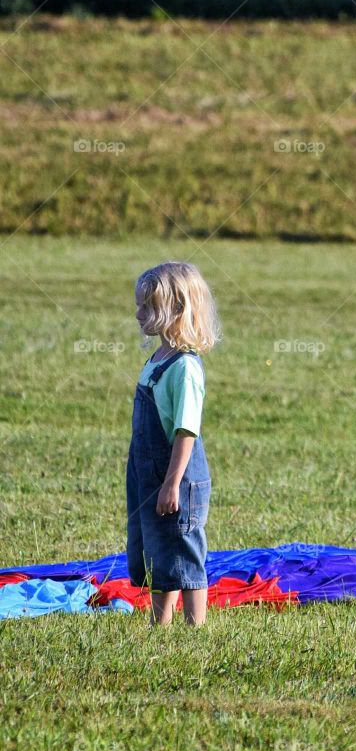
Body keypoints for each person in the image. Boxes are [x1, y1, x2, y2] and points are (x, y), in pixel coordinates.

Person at [127, 262, 221, 627]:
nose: (138, 314)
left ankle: (195, 626)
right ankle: (159, 621)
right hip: (150, 475)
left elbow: (186, 431)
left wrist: (171, 483)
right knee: (159, 548)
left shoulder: (184, 368)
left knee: (184, 548)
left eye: (147, 307)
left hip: (178, 478)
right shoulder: (156, 360)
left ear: (177, 310)